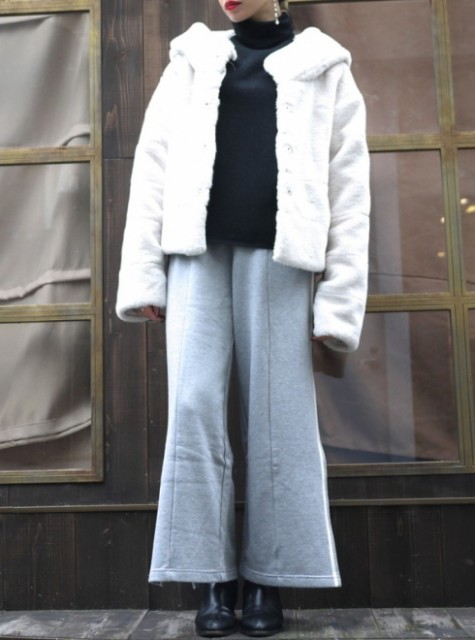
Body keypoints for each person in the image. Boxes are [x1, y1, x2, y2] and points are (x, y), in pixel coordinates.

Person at [116, 0, 370, 636]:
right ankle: (212, 577)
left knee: (280, 418)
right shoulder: (191, 60)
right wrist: (145, 274)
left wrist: (339, 300)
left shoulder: (325, 66)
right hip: (195, 258)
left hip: (281, 263)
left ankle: (267, 579)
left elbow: (350, 189)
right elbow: (153, 167)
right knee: (193, 409)